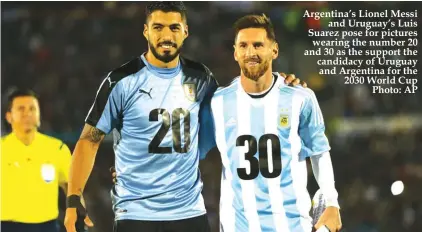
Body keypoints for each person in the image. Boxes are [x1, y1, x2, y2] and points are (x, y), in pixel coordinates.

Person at [64, 2, 305, 232]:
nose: (166, 35)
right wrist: (74, 197)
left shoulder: (201, 77)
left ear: (185, 32)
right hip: (135, 213)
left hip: (189, 212)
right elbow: (89, 140)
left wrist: (278, 84)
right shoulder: (120, 81)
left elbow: (239, 101)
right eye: (158, 27)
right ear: (146, 31)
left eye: (174, 28)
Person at [202, 14, 343, 232]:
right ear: (235, 52)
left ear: (274, 50)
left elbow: (319, 151)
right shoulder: (217, 103)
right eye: (244, 45)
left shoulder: (300, 97)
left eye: (258, 45)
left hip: (293, 225)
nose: (251, 52)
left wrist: (332, 202)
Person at [1, 89, 93, 232]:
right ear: (9, 116)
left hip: (46, 227)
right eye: (21, 109)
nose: (27, 113)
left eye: (32, 108)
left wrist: (80, 220)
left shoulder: (57, 149)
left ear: (39, 114)